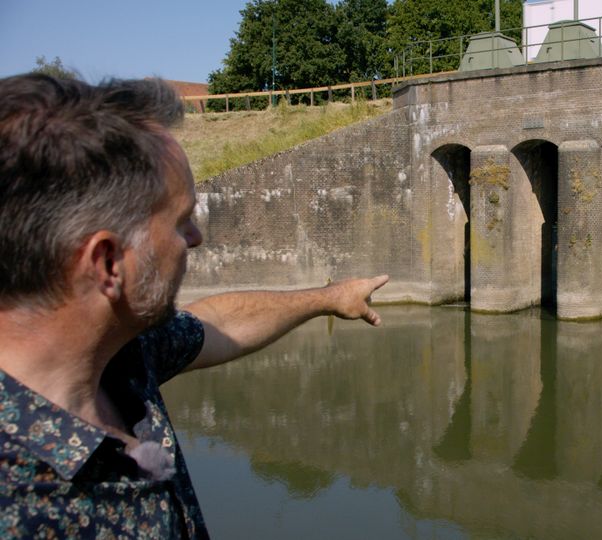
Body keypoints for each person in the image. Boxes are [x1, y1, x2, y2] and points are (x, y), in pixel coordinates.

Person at [0, 74, 388, 538]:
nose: (196, 239)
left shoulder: (121, 354)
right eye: (181, 221)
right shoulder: (20, 506)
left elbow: (217, 323)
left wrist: (330, 298)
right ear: (107, 263)